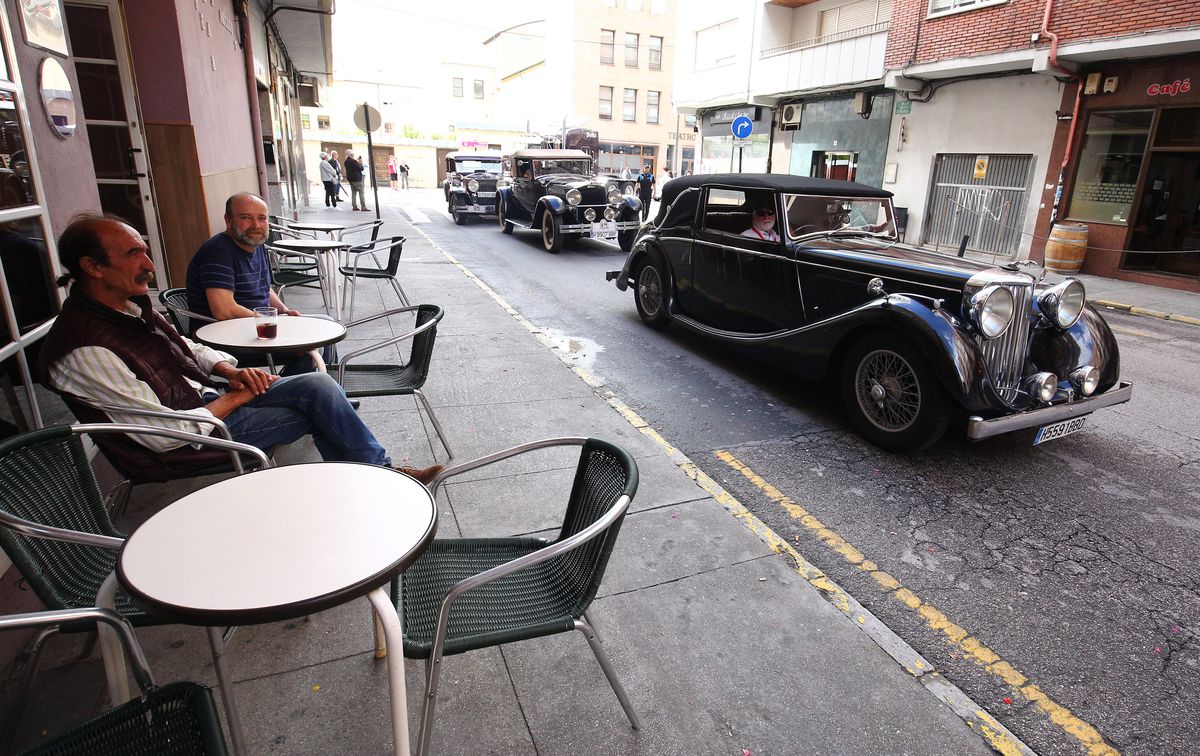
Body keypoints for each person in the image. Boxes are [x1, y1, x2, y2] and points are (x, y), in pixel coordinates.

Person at [37, 213, 441, 483]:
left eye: (144, 249)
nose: (149, 263)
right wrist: (237, 397)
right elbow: (164, 437)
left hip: (205, 399)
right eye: (132, 254)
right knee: (321, 407)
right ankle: (378, 477)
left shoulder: (128, 306)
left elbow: (188, 348)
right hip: (192, 440)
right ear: (91, 267)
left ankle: (373, 472)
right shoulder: (86, 348)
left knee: (318, 384)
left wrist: (230, 373)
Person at [186, 192, 323, 376]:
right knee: (311, 344)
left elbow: (265, 289)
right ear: (228, 220)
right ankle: (287, 395)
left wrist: (284, 311)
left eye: (262, 218)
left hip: (254, 328)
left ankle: (326, 393)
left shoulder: (257, 246)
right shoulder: (217, 252)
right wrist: (270, 322)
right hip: (225, 336)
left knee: (322, 326)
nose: (256, 225)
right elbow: (224, 310)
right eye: (246, 218)